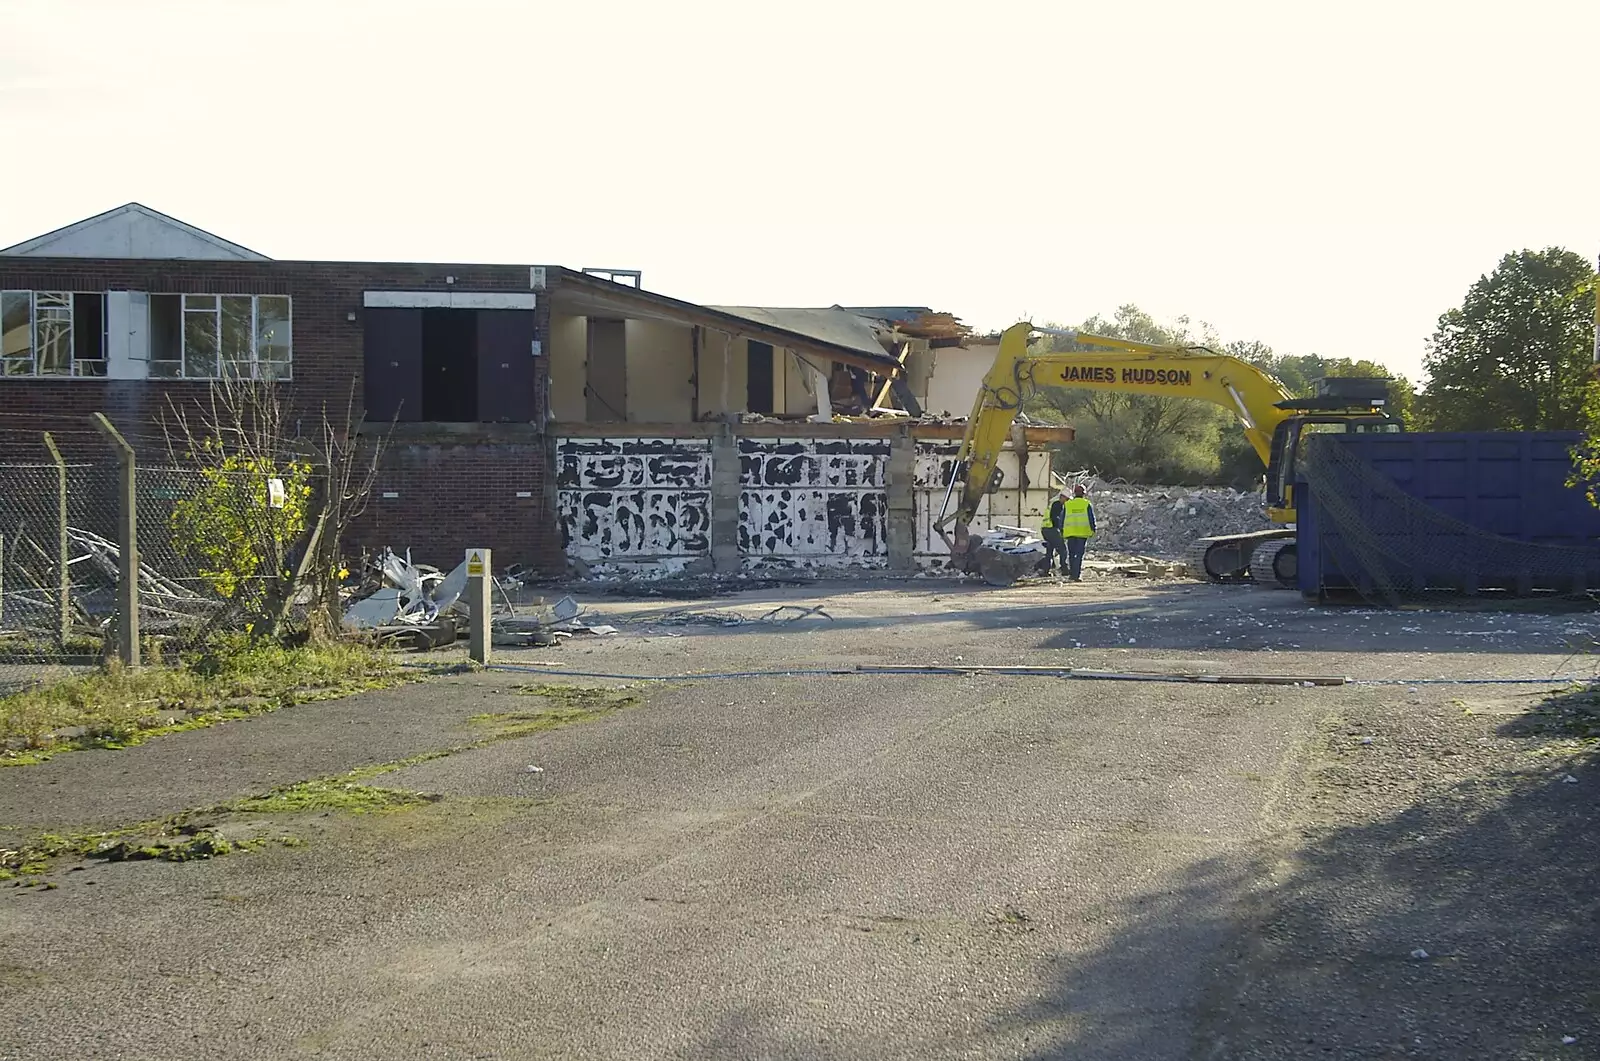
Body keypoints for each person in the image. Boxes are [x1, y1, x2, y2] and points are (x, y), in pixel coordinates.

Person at [1061, 483, 1097, 581]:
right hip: (1082, 533)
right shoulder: (1086, 504)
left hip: (1070, 533)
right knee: (1079, 555)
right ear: (1084, 494)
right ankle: (1076, 575)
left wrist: (1061, 530)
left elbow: (1062, 519)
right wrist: (1093, 529)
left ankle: (1072, 575)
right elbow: (1091, 518)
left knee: (1071, 554)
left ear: (1074, 493)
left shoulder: (1068, 504)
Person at [1039, 489, 1070, 576]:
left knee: (1049, 550)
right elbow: (1055, 518)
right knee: (1063, 549)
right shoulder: (1057, 505)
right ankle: (1064, 569)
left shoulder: (1053, 503)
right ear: (1062, 497)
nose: (1067, 501)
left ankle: (1046, 570)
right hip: (1051, 529)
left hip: (1045, 529)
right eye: (1066, 499)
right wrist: (1061, 529)